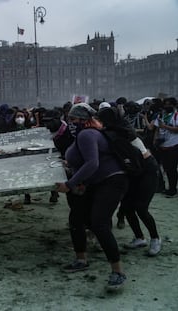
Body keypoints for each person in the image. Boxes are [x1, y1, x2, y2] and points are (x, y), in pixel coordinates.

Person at [55, 103, 129, 292]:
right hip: (96, 183)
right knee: (77, 218)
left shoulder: (87, 134)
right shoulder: (85, 133)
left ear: (82, 120)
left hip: (111, 181)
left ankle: (118, 272)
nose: (70, 122)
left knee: (99, 223)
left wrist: (70, 185)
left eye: (73, 119)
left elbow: (92, 163)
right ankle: (81, 259)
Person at [98, 107, 162, 256]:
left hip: (147, 171)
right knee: (126, 207)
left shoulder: (123, 132)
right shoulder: (114, 131)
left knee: (141, 207)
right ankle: (139, 238)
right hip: (133, 172)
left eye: (100, 120)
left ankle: (155, 238)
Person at [151, 97, 178, 197]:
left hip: (174, 145)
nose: (167, 106)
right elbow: (157, 129)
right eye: (165, 104)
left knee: (172, 168)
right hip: (162, 145)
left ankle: (172, 189)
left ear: (174, 105)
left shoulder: (176, 115)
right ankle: (169, 187)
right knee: (166, 168)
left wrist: (165, 127)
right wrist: (155, 140)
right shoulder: (161, 115)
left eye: (169, 104)